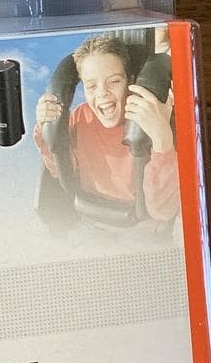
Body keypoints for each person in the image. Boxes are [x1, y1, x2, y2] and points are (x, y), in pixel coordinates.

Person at [33, 33, 179, 233]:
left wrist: (162, 139)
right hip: (90, 220)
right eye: (92, 86)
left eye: (114, 81)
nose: (102, 93)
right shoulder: (79, 117)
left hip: (142, 228)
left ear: (131, 81)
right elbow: (60, 170)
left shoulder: (153, 121)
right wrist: (46, 126)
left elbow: (163, 211)